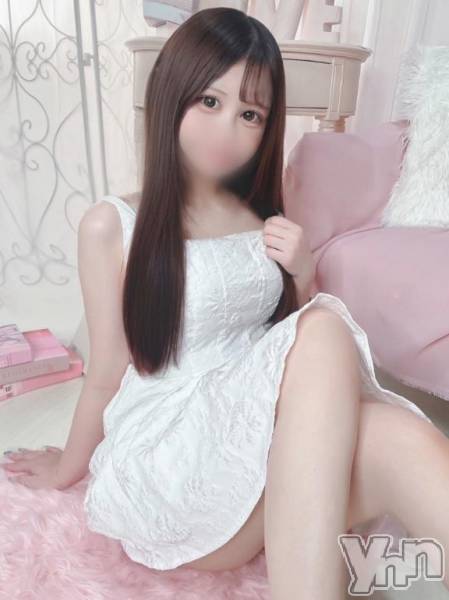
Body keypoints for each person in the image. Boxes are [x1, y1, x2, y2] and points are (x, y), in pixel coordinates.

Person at [3, 7, 448, 599]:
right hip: (171, 456)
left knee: (397, 436)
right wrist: (67, 468)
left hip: (256, 441)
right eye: (209, 102)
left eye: (250, 114)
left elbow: (285, 355)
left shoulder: (263, 214)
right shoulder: (113, 223)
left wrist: (303, 273)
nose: (227, 130)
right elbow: (107, 371)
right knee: (324, 329)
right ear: (172, 95)